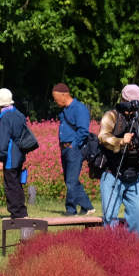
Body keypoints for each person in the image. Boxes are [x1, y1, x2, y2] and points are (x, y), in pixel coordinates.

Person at [96, 84, 139, 234]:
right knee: (110, 218)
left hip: (135, 175)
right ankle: (112, 251)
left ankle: (131, 249)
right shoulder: (111, 116)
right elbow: (103, 137)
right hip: (112, 174)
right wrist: (121, 141)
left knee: (138, 218)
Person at [53, 83, 94, 216]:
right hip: (65, 148)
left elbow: (83, 130)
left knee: (71, 181)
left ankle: (71, 210)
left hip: (74, 149)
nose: (55, 101)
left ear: (64, 95)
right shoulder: (64, 110)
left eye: (56, 98)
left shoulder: (79, 108)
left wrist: (73, 144)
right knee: (70, 180)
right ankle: (87, 207)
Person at [0, 88, 31, 220]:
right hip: (20, 155)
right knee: (17, 184)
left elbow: (3, 140)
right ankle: (22, 212)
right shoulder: (19, 115)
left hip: (9, 157)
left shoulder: (5, 118)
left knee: (10, 185)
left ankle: (17, 213)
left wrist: (0, 158)